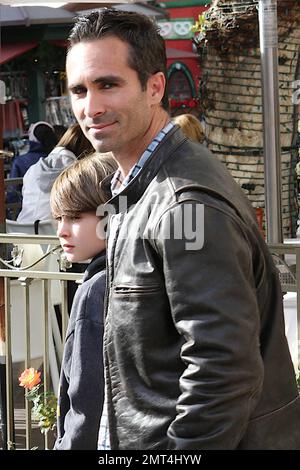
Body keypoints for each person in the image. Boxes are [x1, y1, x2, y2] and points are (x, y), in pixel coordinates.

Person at [66, 9, 300, 450]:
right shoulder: (143, 186)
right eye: (79, 89)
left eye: (108, 85)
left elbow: (223, 366)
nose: (90, 107)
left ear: (154, 87)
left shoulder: (182, 202)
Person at [51, 152, 117, 450]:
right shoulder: (137, 271)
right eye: (58, 218)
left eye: (76, 217)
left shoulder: (95, 290)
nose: (62, 230)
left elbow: (86, 401)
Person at [17, 123, 94, 223]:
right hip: (52, 233)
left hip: (21, 229)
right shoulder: (76, 172)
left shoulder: (33, 169)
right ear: (88, 148)